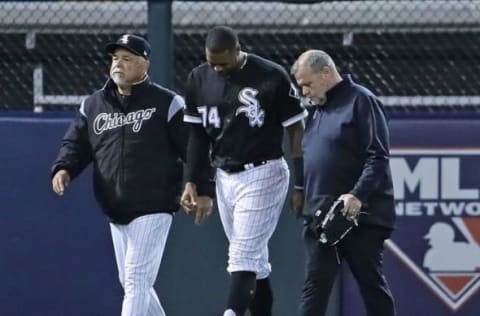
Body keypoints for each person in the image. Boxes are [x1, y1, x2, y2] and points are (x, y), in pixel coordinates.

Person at [51, 34, 187, 316]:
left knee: (136, 280)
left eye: (127, 59)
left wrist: (199, 184)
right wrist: (64, 168)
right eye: (115, 58)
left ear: (145, 64)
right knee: (131, 281)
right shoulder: (94, 105)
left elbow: (192, 148)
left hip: (154, 204)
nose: (118, 64)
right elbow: (76, 143)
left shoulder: (167, 102)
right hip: (115, 207)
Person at [180, 26, 308, 316]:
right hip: (225, 175)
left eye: (223, 62)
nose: (217, 68)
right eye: (212, 62)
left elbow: (296, 130)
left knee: (242, 256)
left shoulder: (270, 75)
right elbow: (198, 135)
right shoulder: (198, 78)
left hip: (264, 171)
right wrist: (193, 180)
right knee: (255, 264)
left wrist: (301, 184)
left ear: (238, 51)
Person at [291, 50, 396, 316]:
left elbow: (378, 157)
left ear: (326, 72)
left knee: (371, 284)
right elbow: (311, 156)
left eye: (307, 84)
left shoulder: (362, 101)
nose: (304, 91)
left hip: (359, 217)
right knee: (315, 285)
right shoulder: (316, 111)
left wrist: (357, 195)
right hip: (320, 216)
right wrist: (302, 190)